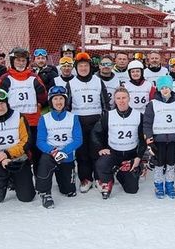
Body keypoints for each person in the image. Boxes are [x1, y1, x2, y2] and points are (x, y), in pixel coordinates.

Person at [0, 88, 34, 203]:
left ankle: (15, 181)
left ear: (7, 103)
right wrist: (0, 159)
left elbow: (26, 141)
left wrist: (8, 153)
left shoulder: (19, 117)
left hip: (18, 157)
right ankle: (1, 186)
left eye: (2, 103)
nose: (0, 107)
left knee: (27, 197)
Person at [93, 87, 147, 198]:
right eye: (118, 98)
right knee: (101, 164)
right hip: (113, 152)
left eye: (124, 98)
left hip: (130, 154)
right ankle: (107, 181)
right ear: (115, 100)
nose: (121, 101)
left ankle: (121, 172)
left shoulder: (138, 116)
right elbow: (96, 133)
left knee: (132, 190)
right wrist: (100, 148)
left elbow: (143, 139)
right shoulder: (108, 115)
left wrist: (138, 157)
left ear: (129, 98)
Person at [67, 52, 108, 192]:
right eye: (80, 66)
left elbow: (105, 103)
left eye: (85, 65)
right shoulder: (71, 83)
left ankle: (99, 177)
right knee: (82, 152)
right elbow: (67, 105)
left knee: (97, 150)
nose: (83, 68)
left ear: (90, 67)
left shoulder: (97, 81)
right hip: (78, 121)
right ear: (76, 68)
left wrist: (105, 121)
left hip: (96, 121)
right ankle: (86, 178)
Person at [0, 47, 48, 161]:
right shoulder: (6, 78)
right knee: (17, 151)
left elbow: (43, 96)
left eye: (23, 60)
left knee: (35, 151)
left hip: (32, 121)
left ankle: (38, 175)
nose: (21, 63)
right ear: (12, 61)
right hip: (13, 122)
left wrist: (39, 104)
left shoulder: (34, 77)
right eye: (18, 60)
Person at [35, 86, 82, 207]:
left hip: (67, 154)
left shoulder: (73, 117)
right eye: (55, 99)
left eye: (61, 98)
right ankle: (45, 193)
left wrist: (64, 151)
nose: (58, 102)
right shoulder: (44, 118)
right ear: (51, 101)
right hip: (50, 154)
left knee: (68, 190)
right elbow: (40, 141)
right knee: (44, 162)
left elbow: (78, 140)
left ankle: (63, 179)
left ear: (65, 101)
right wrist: (53, 151)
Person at [143, 75, 175, 198]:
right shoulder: (153, 104)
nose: (165, 90)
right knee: (159, 164)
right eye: (162, 87)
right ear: (158, 89)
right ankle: (158, 185)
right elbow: (147, 122)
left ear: (171, 88)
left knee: (171, 164)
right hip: (159, 140)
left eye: (167, 87)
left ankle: (169, 184)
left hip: (173, 140)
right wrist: (149, 138)